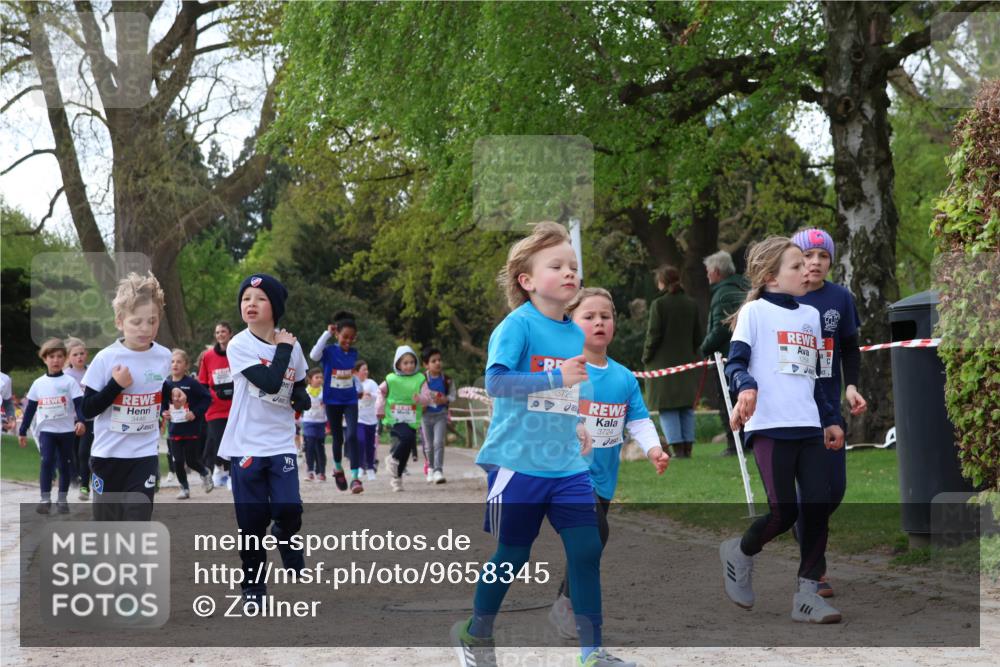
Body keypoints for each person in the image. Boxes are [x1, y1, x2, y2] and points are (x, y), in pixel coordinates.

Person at [450, 221, 635, 667]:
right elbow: (495, 382)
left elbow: (574, 389)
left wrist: (577, 422)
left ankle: (592, 653)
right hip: (517, 462)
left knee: (586, 549)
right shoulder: (517, 326)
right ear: (527, 280)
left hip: (567, 465)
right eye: (557, 265)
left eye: (574, 266)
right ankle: (475, 633)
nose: (571, 272)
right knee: (513, 553)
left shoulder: (577, 333)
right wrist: (554, 378)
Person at [718, 237, 844, 624]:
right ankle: (739, 553)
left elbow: (820, 376)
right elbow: (734, 365)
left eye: (808, 263)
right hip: (771, 426)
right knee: (784, 512)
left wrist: (831, 418)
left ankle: (807, 594)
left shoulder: (809, 315)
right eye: (796, 265)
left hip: (808, 425)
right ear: (771, 276)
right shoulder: (754, 313)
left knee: (817, 507)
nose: (807, 269)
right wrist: (748, 389)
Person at [549, 288, 671, 640]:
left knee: (589, 543)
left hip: (603, 479)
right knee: (595, 535)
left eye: (606, 316)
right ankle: (570, 612)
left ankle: (563, 603)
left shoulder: (624, 378)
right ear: (570, 323)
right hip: (567, 475)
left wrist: (653, 450)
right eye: (589, 317)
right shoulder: (565, 369)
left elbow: (639, 421)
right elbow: (544, 412)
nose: (599, 322)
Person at [217, 274, 310, 610]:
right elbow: (271, 383)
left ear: (276, 306)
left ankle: (286, 536)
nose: (250, 304)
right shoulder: (240, 345)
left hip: (281, 442)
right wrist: (283, 348)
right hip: (246, 444)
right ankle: (253, 586)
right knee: (251, 522)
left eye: (259, 298)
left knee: (289, 508)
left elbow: (295, 384)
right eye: (245, 299)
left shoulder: (293, 346)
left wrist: (302, 399)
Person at [791, 227, 867, 598]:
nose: (815, 263)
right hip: (793, 409)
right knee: (814, 491)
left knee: (834, 489)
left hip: (829, 406)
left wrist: (850, 386)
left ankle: (803, 523)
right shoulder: (782, 298)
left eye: (822, 257)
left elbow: (850, 349)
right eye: (807, 256)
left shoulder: (840, 298)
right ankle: (815, 572)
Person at [81, 272, 172, 521]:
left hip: (143, 455)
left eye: (152, 321)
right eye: (136, 322)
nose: (145, 328)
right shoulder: (106, 358)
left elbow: (154, 386)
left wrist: (171, 394)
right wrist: (115, 386)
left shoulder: (164, 356)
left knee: (138, 520)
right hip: (107, 456)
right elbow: (86, 410)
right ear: (120, 321)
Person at [642, 265, 703, 458]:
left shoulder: (659, 305)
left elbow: (653, 335)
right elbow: (697, 336)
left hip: (662, 364)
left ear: (662, 282)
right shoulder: (691, 303)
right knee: (686, 406)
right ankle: (687, 448)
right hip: (686, 363)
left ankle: (677, 450)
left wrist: (646, 356)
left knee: (667, 407)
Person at [19, 338, 85, 514]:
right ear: (44, 359)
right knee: (47, 462)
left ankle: (62, 500)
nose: (55, 360)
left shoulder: (69, 382)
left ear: (64, 359)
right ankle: (45, 499)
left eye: (59, 356)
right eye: (51, 357)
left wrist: (81, 421)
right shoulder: (39, 384)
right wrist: (22, 430)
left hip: (66, 431)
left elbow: (79, 404)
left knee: (64, 464)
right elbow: (30, 409)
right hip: (47, 431)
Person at [700, 250, 750, 456]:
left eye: (708, 271)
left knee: (728, 401)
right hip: (746, 354)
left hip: (726, 356)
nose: (707, 275)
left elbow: (721, 327)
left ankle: (734, 443)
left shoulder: (722, 294)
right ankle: (748, 440)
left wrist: (704, 347)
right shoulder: (744, 287)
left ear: (717, 271)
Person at [309, 311, 363, 493]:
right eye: (344, 337)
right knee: (338, 437)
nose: (347, 341)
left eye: (351, 338)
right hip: (332, 400)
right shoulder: (329, 351)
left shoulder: (354, 353)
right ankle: (338, 468)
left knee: (353, 435)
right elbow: (314, 355)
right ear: (337, 334)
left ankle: (356, 478)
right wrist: (326, 334)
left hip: (350, 399)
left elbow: (350, 376)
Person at [161, 349, 214, 499]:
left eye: (179, 361)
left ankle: (204, 472)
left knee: (191, 460)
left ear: (186, 365)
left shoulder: (191, 383)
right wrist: (164, 413)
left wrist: (195, 413)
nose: (175, 364)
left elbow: (207, 398)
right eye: (172, 361)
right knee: (177, 460)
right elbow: (162, 403)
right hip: (174, 429)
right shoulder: (166, 384)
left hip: (191, 429)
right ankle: (184, 488)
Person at [379, 346, 432, 492]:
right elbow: (380, 392)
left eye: (412, 362)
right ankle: (392, 458)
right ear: (398, 364)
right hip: (395, 417)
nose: (409, 366)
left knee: (407, 447)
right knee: (406, 438)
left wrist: (420, 398)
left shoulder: (420, 379)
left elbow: (427, 399)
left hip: (412, 418)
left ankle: (397, 478)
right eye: (405, 363)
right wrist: (380, 409)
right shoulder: (391, 379)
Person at [198, 321, 235, 490]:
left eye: (223, 331)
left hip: (235, 405)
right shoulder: (207, 356)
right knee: (219, 441)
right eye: (218, 332)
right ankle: (221, 469)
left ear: (230, 334)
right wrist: (209, 397)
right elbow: (203, 382)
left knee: (234, 441)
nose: (220, 334)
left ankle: (231, 474)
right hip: (215, 408)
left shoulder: (237, 353)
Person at [64, 337, 95, 500]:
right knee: (72, 454)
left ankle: (85, 486)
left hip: (89, 419)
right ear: (69, 357)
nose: (79, 357)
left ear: (87, 354)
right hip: (69, 420)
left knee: (84, 453)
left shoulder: (92, 372)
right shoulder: (65, 375)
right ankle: (74, 476)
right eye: (75, 354)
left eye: (82, 353)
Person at [421, 347, 456, 484]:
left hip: (441, 414)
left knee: (438, 442)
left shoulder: (446, 379)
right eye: (433, 361)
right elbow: (415, 395)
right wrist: (423, 402)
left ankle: (438, 470)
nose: (437, 363)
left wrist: (445, 399)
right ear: (426, 364)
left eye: (439, 360)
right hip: (425, 416)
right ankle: (430, 468)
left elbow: (453, 395)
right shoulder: (421, 380)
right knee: (429, 445)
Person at [302, 368, 328, 482]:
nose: (319, 380)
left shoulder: (325, 392)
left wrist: (328, 425)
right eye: (316, 377)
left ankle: (321, 472)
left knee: (320, 448)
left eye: (321, 377)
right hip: (308, 422)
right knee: (310, 446)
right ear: (310, 379)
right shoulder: (305, 391)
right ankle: (310, 471)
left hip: (321, 422)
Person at [355, 360, 380, 480]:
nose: (366, 371)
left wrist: (371, 395)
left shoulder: (371, 383)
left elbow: (379, 395)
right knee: (361, 441)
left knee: (370, 445)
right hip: (359, 419)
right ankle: (360, 467)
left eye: (367, 369)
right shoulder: (353, 383)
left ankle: (370, 468)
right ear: (356, 372)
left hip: (372, 419)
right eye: (363, 369)